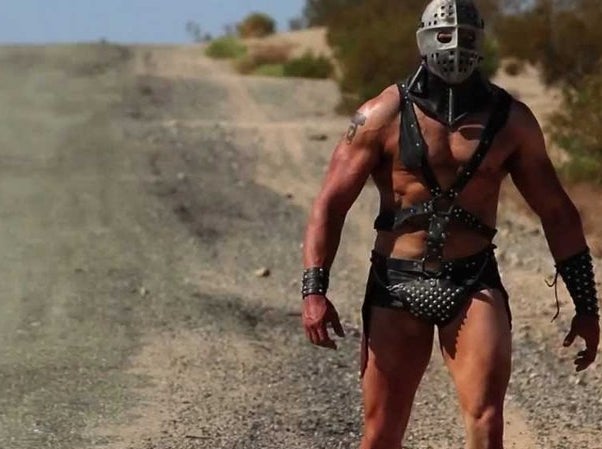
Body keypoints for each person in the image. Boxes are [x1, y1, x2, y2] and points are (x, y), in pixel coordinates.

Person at [300, 1, 601, 448]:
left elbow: (557, 212)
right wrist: (314, 289)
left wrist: (586, 305)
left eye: (467, 37)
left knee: (486, 421)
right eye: (445, 36)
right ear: (424, 40)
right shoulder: (381, 116)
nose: (456, 47)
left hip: (473, 282)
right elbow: (330, 204)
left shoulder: (511, 121)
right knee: (380, 434)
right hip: (395, 283)